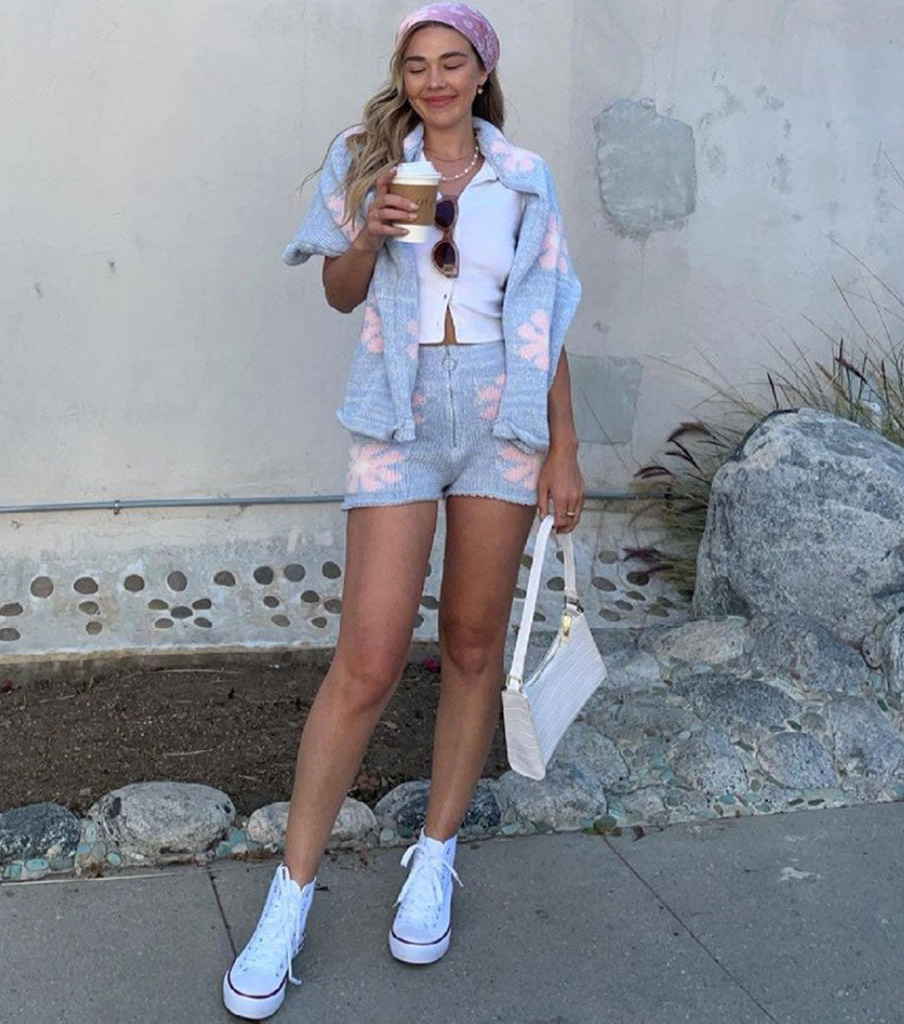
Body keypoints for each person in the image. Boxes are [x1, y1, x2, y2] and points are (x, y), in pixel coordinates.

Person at [223, 4, 583, 1018]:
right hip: (400, 409)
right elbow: (340, 294)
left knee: (469, 643)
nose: (433, 79)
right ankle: (288, 899)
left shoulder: (524, 177)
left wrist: (564, 450)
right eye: (417, 64)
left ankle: (435, 854)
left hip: (502, 417)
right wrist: (372, 228)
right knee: (369, 658)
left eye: (451, 62)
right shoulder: (370, 159)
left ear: (480, 74)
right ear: (404, 75)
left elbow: (545, 318)